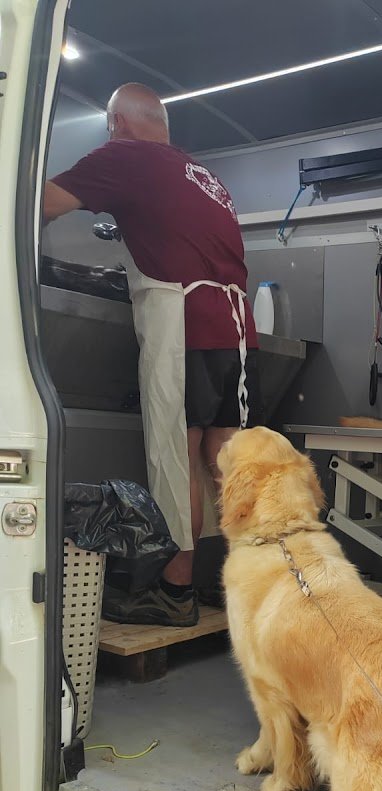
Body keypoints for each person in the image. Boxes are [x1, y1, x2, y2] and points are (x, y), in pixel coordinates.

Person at [44, 83, 264, 627]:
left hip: (182, 322)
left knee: (177, 454)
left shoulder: (125, 156)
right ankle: (240, 586)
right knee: (225, 462)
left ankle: (174, 591)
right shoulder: (204, 176)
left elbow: (38, 205)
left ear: (116, 123)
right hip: (235, 331)